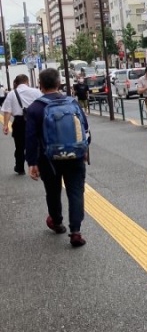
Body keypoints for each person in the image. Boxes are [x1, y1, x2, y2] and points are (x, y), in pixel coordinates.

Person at [25, 68, 90, 247]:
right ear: (59, 83)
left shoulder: (35, 108)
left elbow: (30, 138)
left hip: (48, 159)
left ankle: (57, 221)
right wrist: (84, 150)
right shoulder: (72, 103)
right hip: (75, 156)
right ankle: (76, 231)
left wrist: (31, 162)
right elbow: (84, 129)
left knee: (53, 191)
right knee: (76, 192)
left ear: (40, 85)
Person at [1, 74, 41, 175]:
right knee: (36, 144)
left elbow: (7, 111)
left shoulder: (11, 94)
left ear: (16, 83)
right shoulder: (36, 92)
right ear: (27, 82)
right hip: (35, 121)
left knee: (19, 146)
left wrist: (5, 125)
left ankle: (19, 167)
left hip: (19, 122)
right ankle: (37, 166)